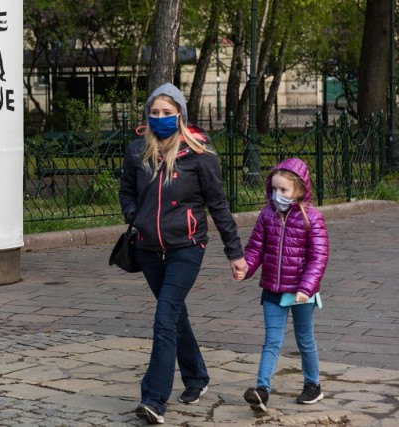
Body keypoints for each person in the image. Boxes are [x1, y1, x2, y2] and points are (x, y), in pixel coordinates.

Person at [118, 82, 248, 425]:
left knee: (164, 318)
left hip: (187, 247)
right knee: (174, 315)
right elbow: (127, 192)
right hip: (147, 249)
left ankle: (154, 400)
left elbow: (218, 205)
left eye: (167, 112)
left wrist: (235, 253)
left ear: (180, 115)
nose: (160, 118)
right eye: (154, 112)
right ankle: (197, 377)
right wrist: (135, 217)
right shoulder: (137, 151)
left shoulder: (199, 154)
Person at [240, 158, 329, 413]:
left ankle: (313, 384)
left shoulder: (312, 217)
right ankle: (262, 390)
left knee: (304, 339)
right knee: (271, 340)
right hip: (272, 289)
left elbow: (318, 256)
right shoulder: (267, 215)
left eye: (284, 190)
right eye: (274, 189)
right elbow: (256, 247)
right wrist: (245, 267)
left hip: (302, 292)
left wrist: (306, 287)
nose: (277, 195)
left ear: (299, 190)